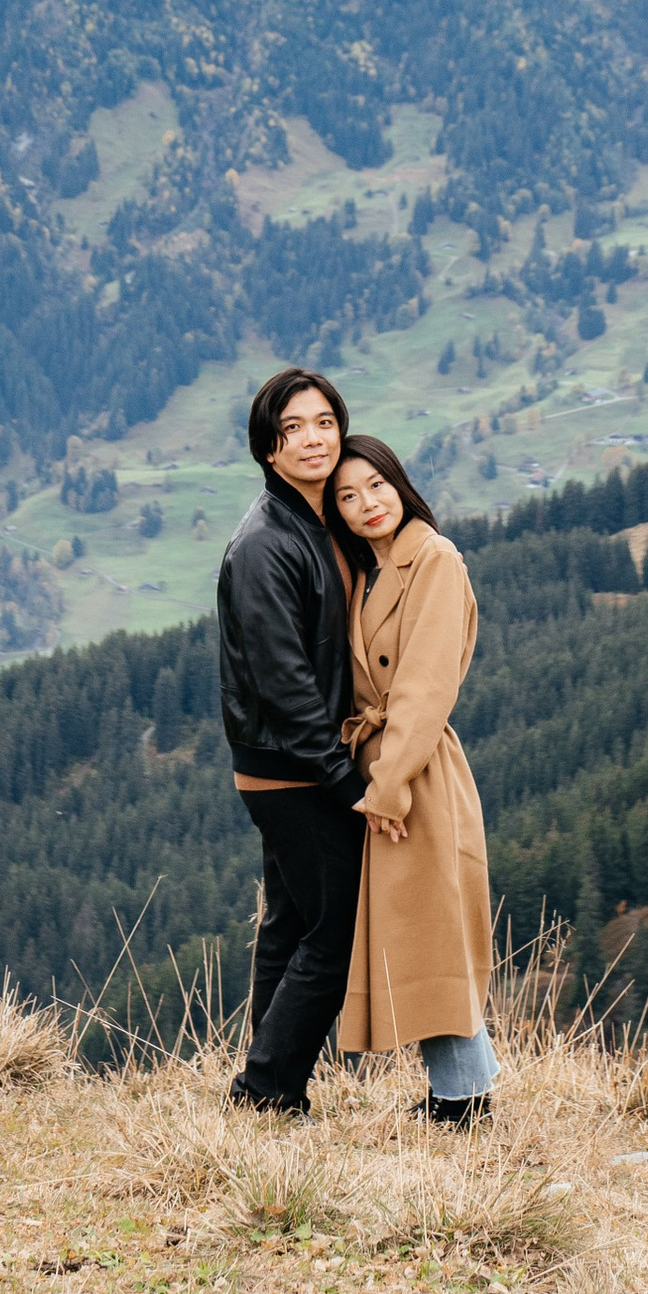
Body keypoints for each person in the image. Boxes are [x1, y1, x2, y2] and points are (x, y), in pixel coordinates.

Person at [214, 363, 378, 1116]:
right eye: (292, 430)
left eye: (323, 423)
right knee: (335, 928)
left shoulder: (317, 523)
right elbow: (285, 685)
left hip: (295, 762)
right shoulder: (263, 545)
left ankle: (265, 1081)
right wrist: (346, 781)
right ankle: (268, 1088)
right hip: (293, 769)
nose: (313, 440)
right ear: (267, 448)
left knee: (289, 921)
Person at [327, 433, 501, 1125]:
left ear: (399, 482)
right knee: (421, 934)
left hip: (417, 772)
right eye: (346, 496)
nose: (365, 504)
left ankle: (461, 1101)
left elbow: (426, 687)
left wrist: (389, 786)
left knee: (430, 934)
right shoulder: (366, 570)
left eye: (375, 485)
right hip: (386, 767)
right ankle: (466, 1087)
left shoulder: (433, 557)